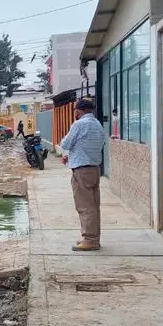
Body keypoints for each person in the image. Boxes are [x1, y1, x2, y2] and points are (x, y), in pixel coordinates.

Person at [60, 98, 106, 251]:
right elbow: (88, 145)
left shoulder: (79, 124)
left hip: (82, 170)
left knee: (85, 206)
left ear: (78, 111)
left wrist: (68, 151)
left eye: (75, 111)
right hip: (94, 168)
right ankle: (93, 237)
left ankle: (90, 239)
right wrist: (71, 155)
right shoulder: (97, 124)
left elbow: (65, 144)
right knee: (93, 205)